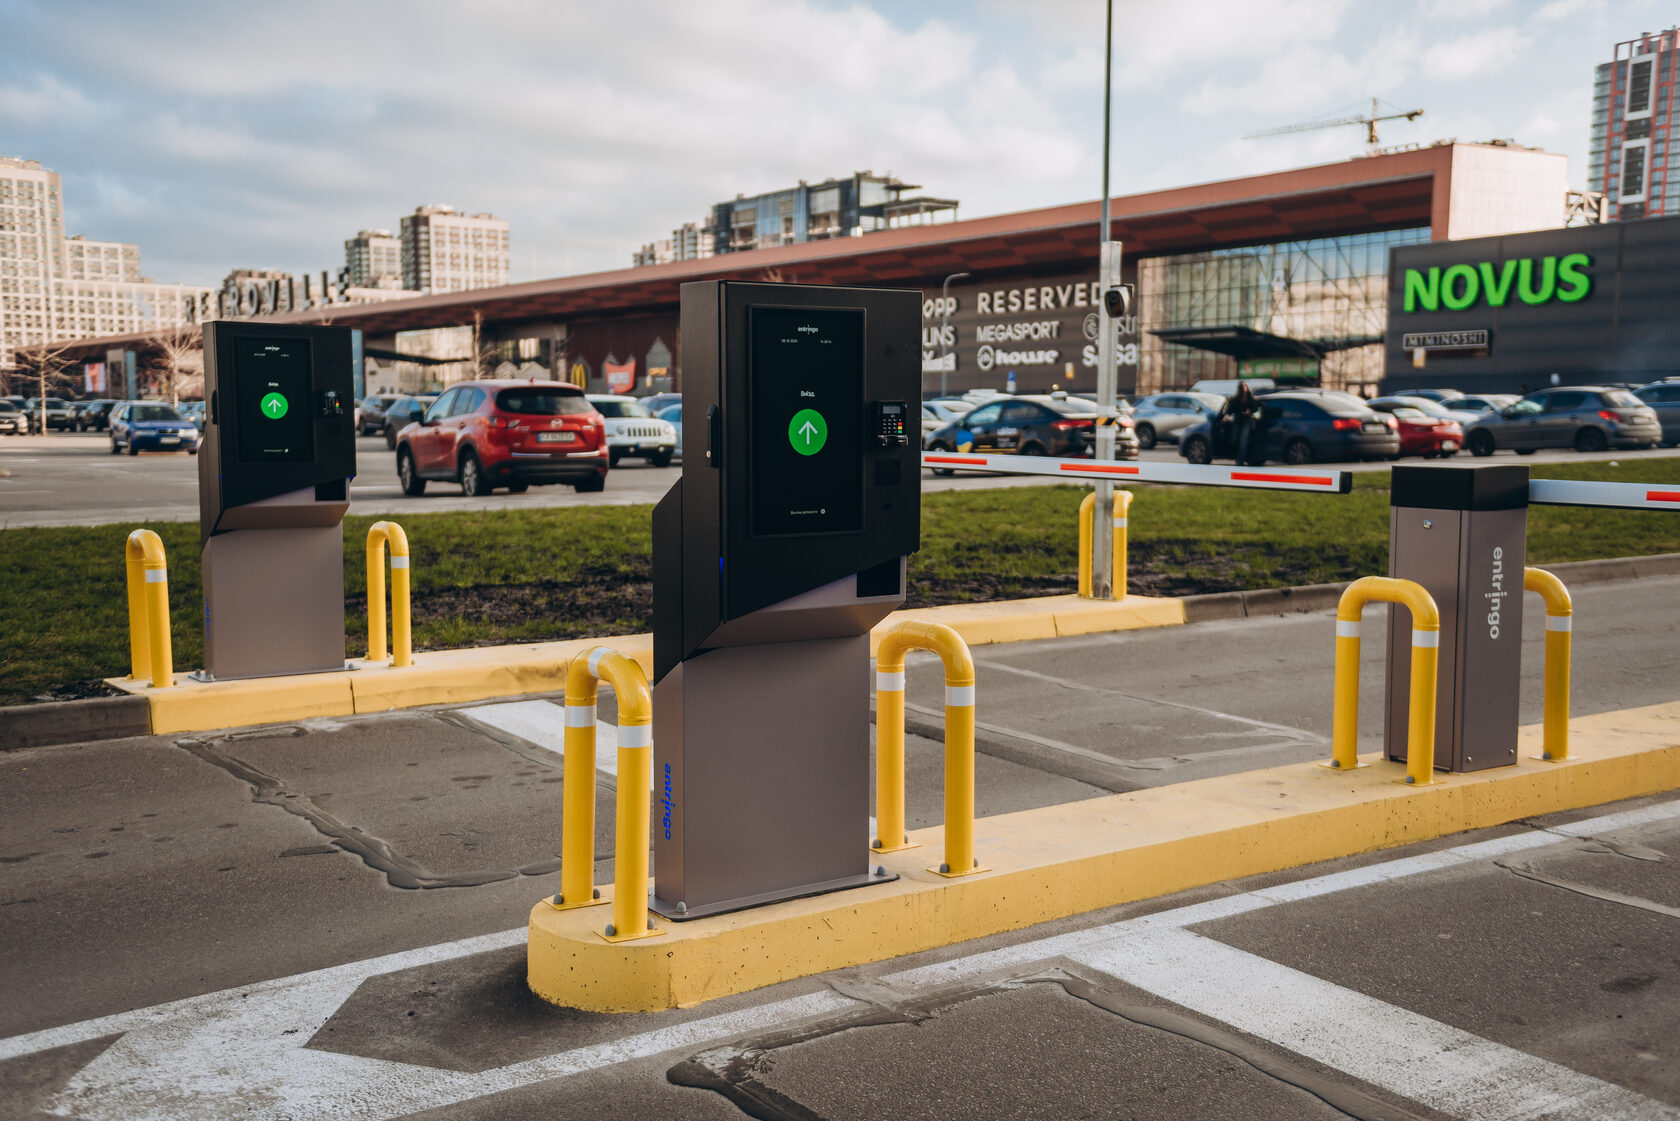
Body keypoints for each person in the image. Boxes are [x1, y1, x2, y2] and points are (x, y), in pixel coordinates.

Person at [1230, 381, 1260, 464]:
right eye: (1243, 386)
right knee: (1235, 439)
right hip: (1238, 419)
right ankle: (1236, 457)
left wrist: (1249, 411)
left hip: (1247, 420)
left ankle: (1241, 460)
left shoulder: (1250, 398)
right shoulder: (1236, 399)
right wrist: (1230, 414)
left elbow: (1255, 407)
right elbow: (1231, 408)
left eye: (1245, 386)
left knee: (1244, 440)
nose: (1245, 388)